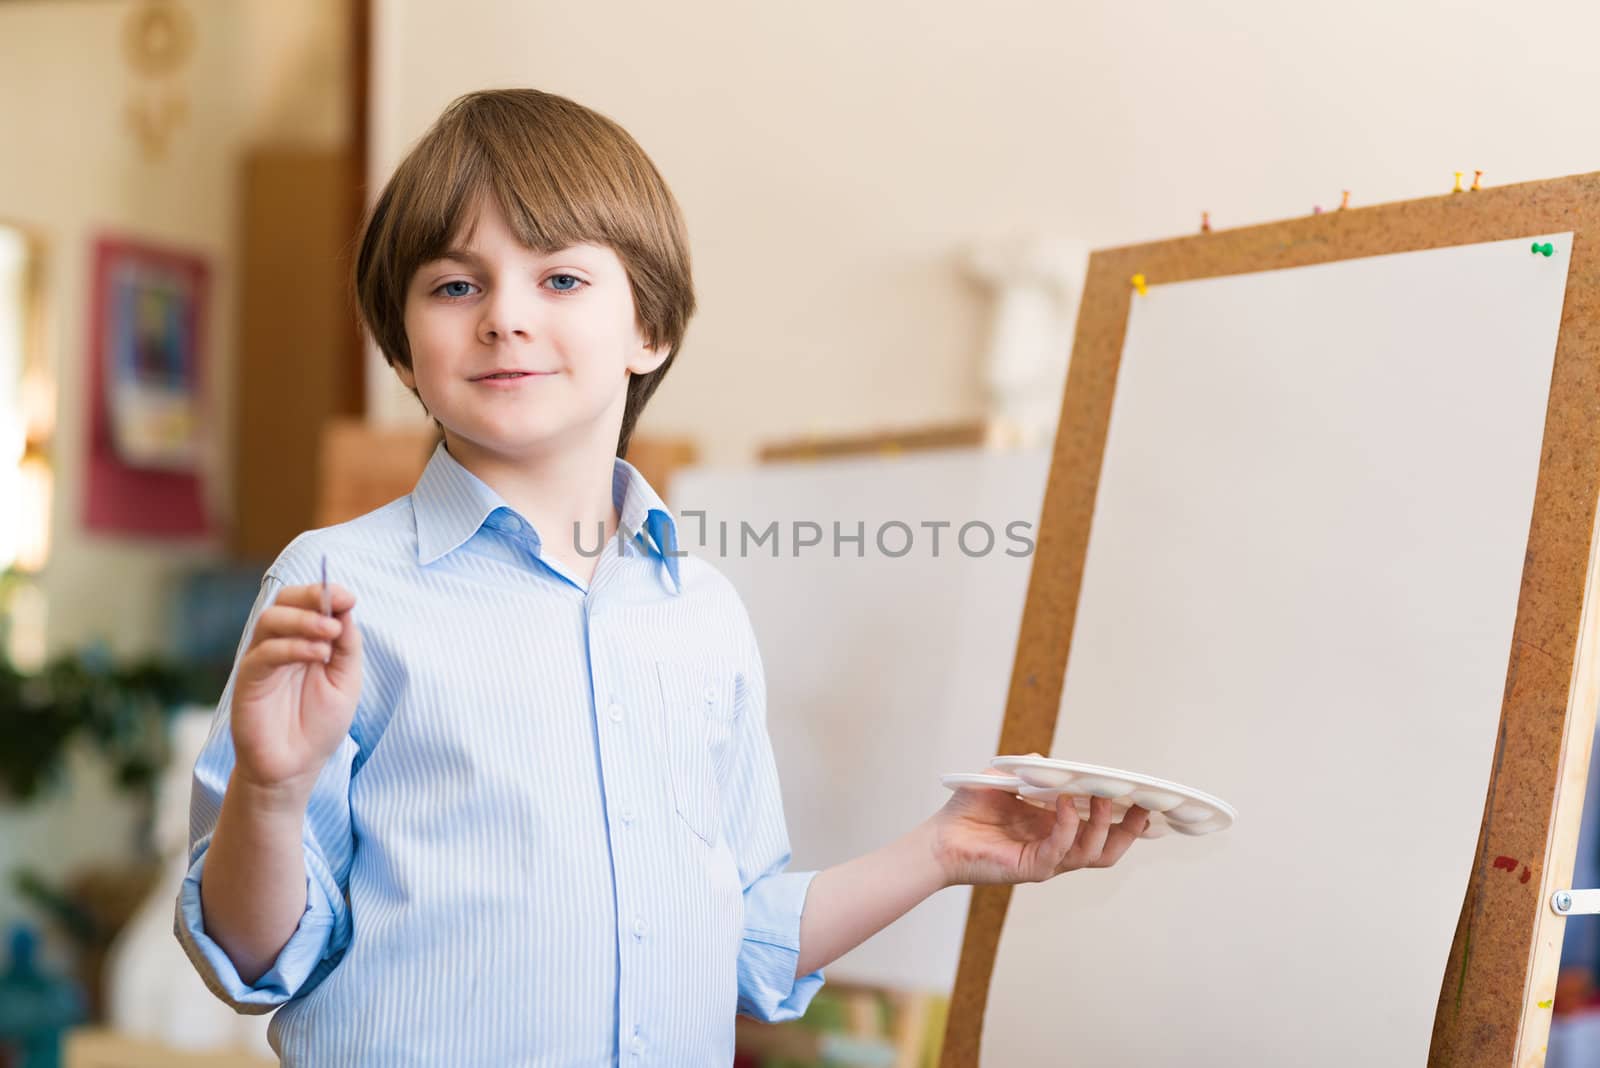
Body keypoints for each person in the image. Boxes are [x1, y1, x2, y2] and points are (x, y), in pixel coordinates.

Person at [174, 88, 1149, 1066]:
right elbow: (256, 960)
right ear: (402, 348)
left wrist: (943, 850)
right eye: (455, 286)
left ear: (651, 329)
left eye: (559, 279)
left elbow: (742, 938)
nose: (505, 318)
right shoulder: (340, 585)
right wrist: (268, 789)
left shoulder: (703, 610)